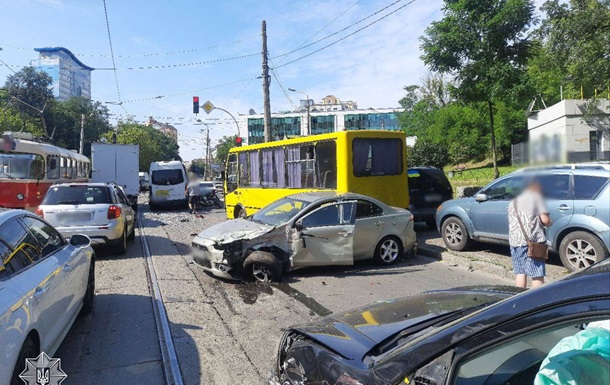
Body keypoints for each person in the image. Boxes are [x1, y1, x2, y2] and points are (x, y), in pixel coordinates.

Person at [507, 179, 552, 288]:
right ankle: (536, 300)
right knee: (537, 274)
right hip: (533, 242)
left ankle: (519, 297)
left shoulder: (513, 201)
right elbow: (545, 220)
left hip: (515, 242)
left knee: (520, 272)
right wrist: (550, 223)